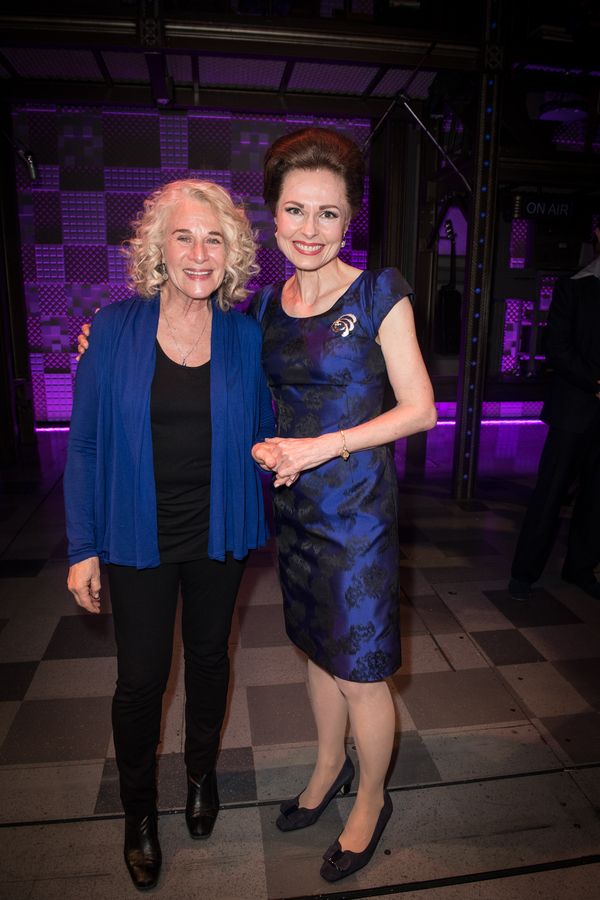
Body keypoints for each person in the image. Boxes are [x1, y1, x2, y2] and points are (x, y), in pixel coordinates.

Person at [65, 179, 275, 892]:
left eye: (214, 239)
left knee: (211, 658)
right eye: (183, 236)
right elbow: (85, 446)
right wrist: (81, 546)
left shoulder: (247, 336)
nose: (198, 252)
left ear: (232, 254)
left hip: (220, 528)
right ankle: (138, 815)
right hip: (135, 530)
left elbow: (281, 415)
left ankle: (200, 776)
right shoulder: (113, 329)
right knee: (141, 679)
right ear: (157, 249)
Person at [250, 127, 437, 882]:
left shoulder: (378, 292)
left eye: (328, 214)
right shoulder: (269, 303)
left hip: (355, 515)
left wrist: (321, 447)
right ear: (272, 215)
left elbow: (421, 408)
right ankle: (327, 771)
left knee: (361, 670)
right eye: (295, 211)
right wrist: (109, 334)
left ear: (351, 217)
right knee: (317, 654)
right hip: (294, 513)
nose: (309, 230)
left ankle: (371, 797)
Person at [509, 227, 600, 602]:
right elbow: (556, 348)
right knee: (550, 494)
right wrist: (596, 382)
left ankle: (579, 568)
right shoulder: (576, 286)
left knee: (597, 497)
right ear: (596, 233)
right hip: (574, 409)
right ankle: (524, 573)